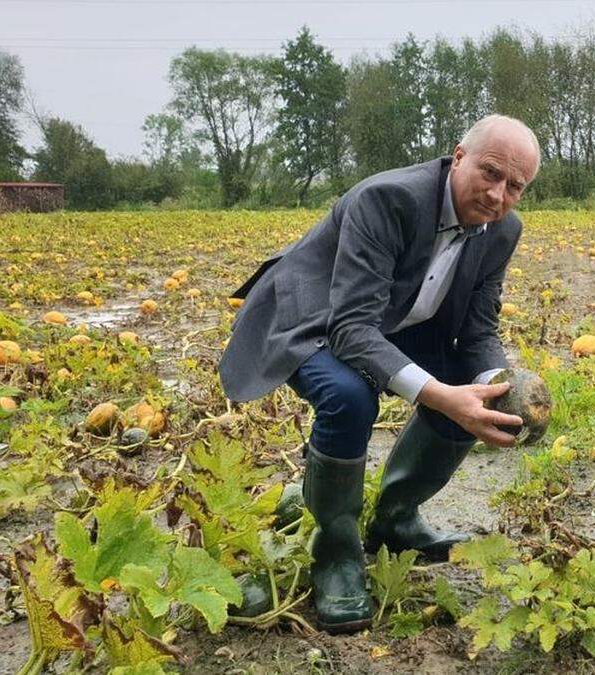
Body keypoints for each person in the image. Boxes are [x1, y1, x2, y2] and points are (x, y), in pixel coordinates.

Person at [218, 114, 539, 633]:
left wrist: (498, 380)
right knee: (349, 396)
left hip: (394, 316)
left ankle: (395, 520)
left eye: (515, 186)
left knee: (473, 387)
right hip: (315, 316)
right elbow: (351, 329)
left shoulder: (502, 230)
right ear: (459, 156)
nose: (498, 194)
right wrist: (437, 394)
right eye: (490, 173)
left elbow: (479, 327)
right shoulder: (387, 199)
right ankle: (338, 554)